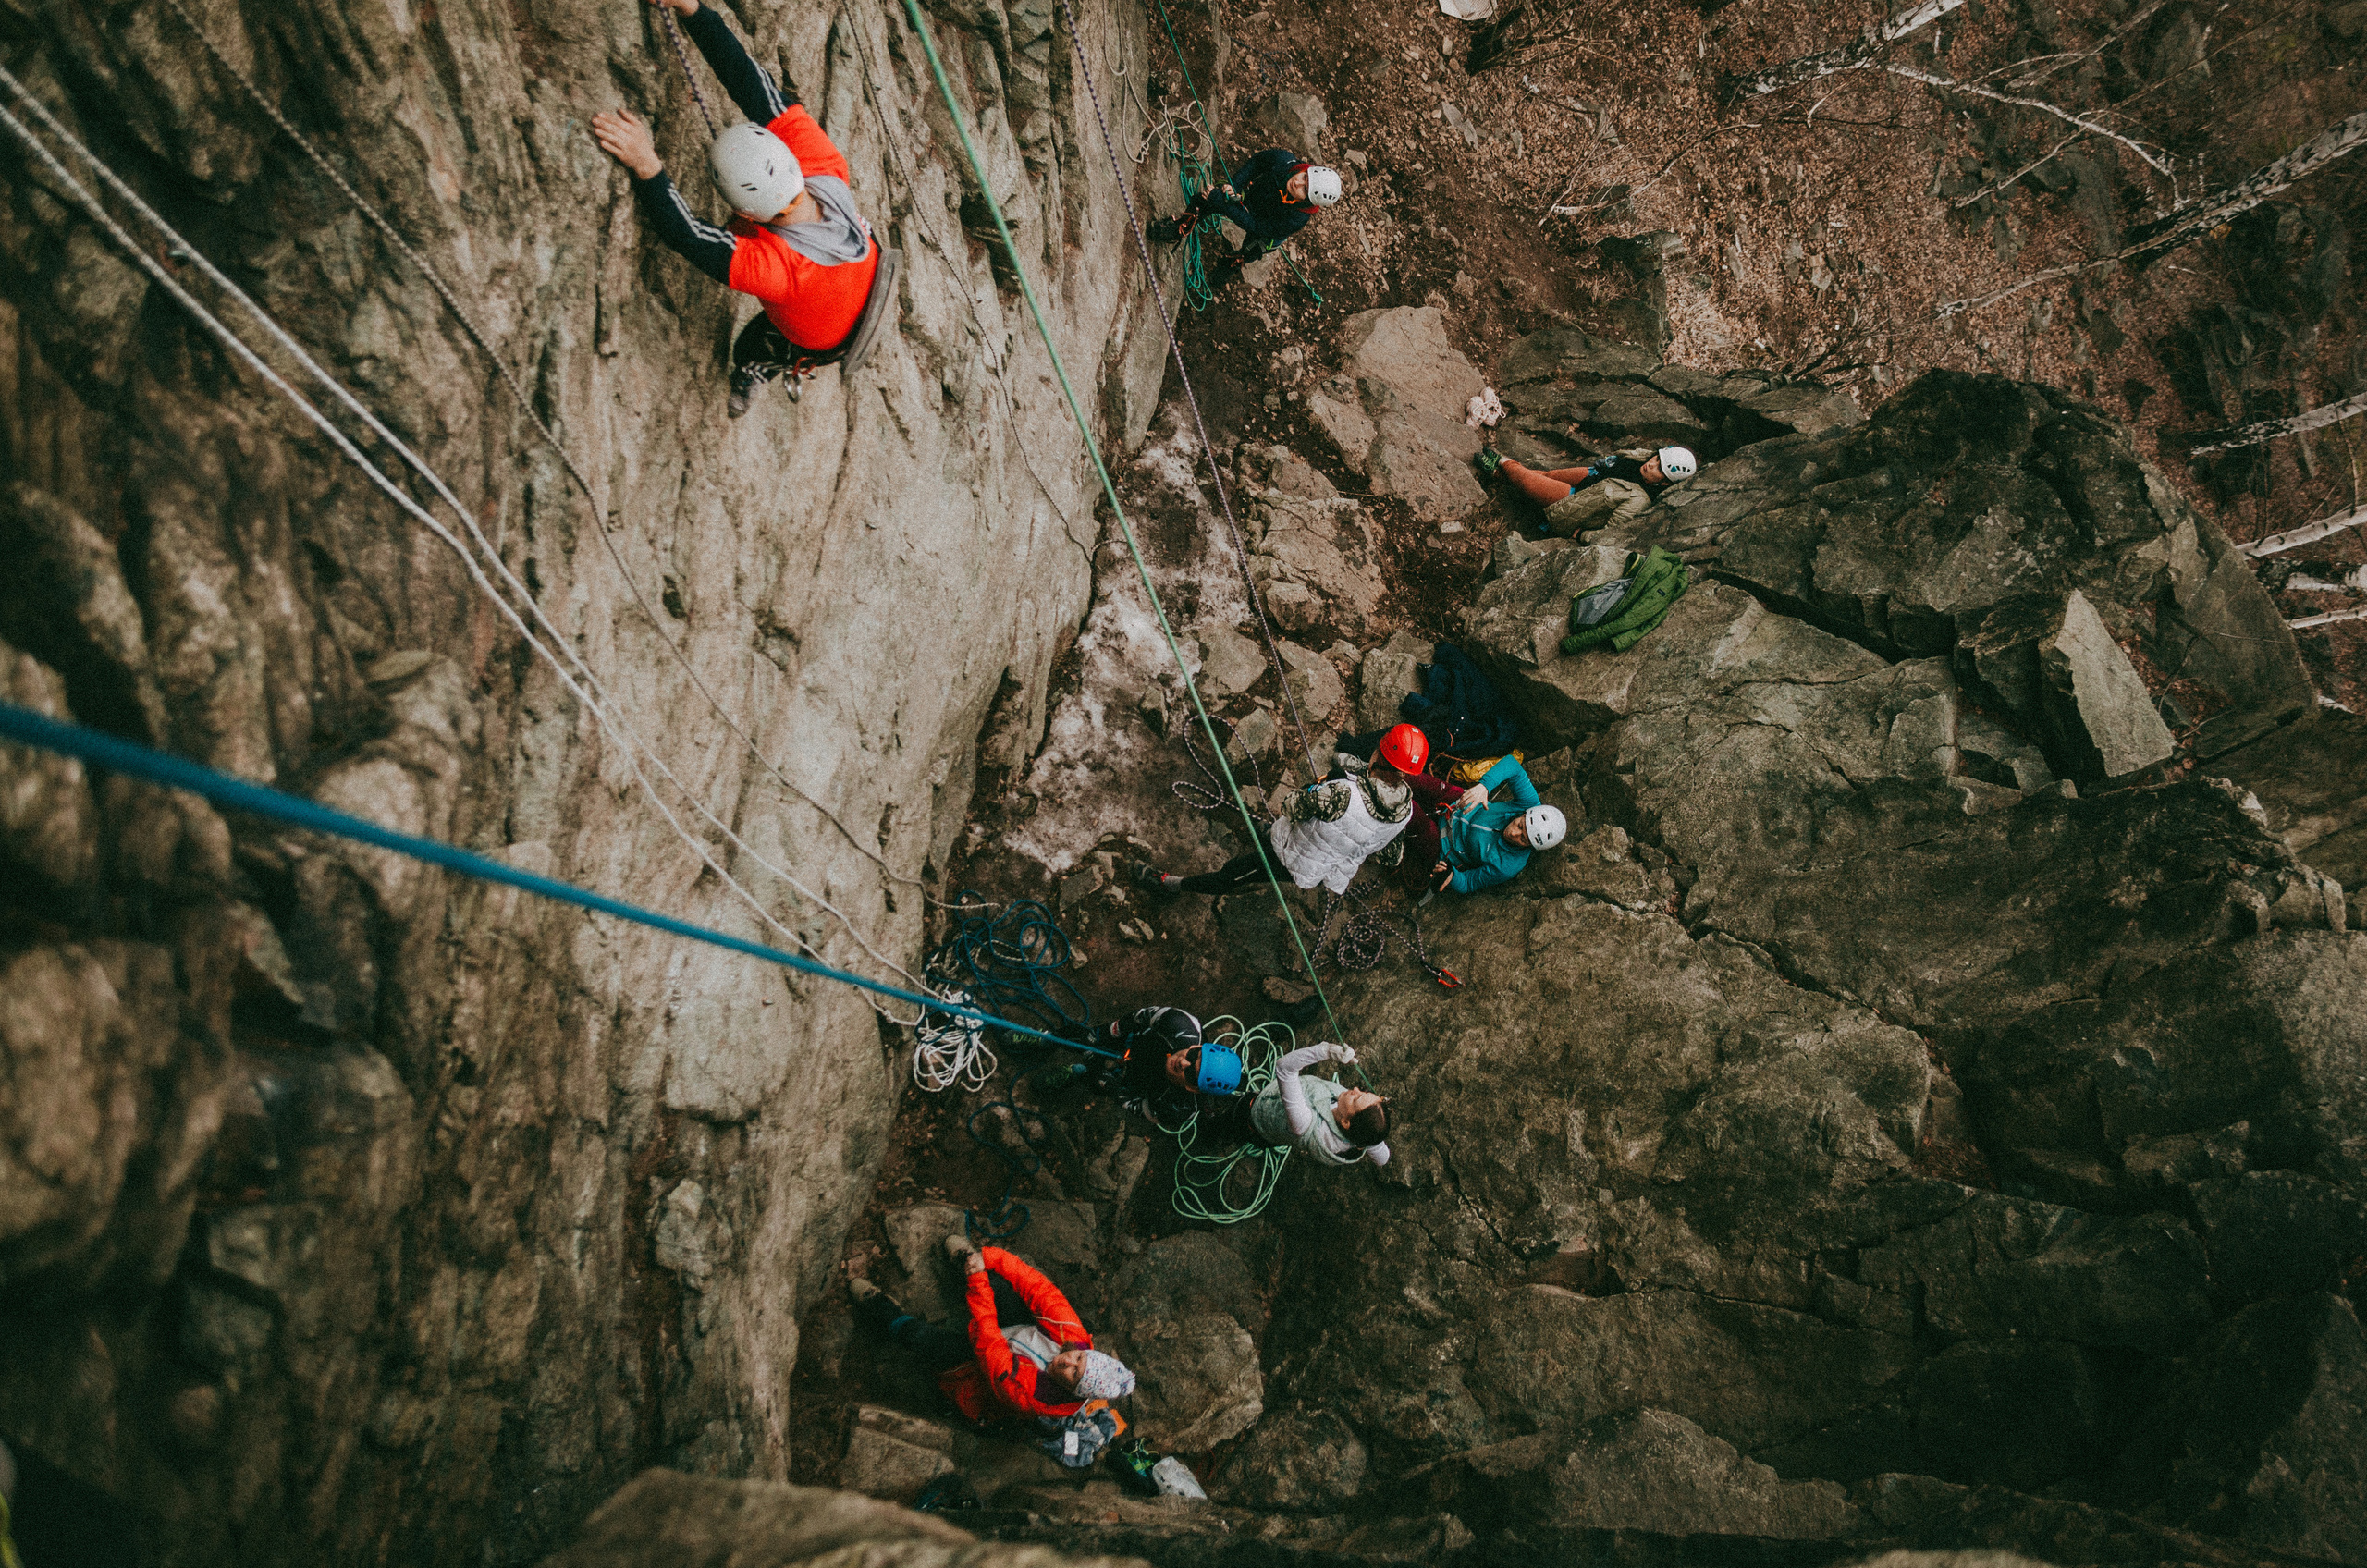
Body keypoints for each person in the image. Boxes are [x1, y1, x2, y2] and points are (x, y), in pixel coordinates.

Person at [591, 0, 881, 416]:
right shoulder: (824, 166)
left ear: (749, 215)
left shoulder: (779, 271)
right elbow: (749, 82)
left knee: (753, 344)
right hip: (864, 278)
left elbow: (687, 235)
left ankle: (758, 368)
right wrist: (694, 10)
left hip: (820, 338)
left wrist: (646, 164)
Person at [850, 1237, 1136, 1465]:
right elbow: (1041, 1290)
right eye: (1078, 1359)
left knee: (922, 1339)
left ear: (1076, 1391)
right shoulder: (1075, 1338)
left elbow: (987, 1342)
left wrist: (978, 1283)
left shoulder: (1031, 1396)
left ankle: (884, 1311)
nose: (1067, 1362)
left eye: (1074, 1373)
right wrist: (990, 1259)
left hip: (976, 1364)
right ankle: (966, 1261)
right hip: (1011, 1333)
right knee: (1003, 1281)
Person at [1134, 724, 1429, 898]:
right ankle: (1267, 835)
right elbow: (1391, 856)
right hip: (1318, 866)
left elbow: (1291, 805)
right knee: (1271, 835)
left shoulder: (1341, 794)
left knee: (1234, 873)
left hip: (1290, 857)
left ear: (1378, 753)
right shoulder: (1404, 812)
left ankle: (1172, 886)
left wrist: (1320, 787)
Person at [1159, 149, 1342, 286]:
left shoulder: (1297, 218)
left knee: (1252, 249)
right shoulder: (1284, 161)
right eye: (1304, 177)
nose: (1297, 182)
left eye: (1304, 189)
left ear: (1309, 200)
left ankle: (1230, 264)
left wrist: (1225, 205)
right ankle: (1182, 227)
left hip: (1265, 229)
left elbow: (1257, 227)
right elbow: (1256, 163)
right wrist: (1233, 187)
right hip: (1250, 196)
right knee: (1205, 200)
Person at [1203, 1040, 1390, 1168]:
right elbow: (1383, 1158)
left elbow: (1284, 1068)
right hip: (1271, 1128)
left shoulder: (1305, 1124)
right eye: (1364, 1092)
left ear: (1347, 1122)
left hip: (1254, 1116)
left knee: (1231, 1120)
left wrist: (1326, 1051)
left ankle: (1209, 1129)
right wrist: (1373, 1136)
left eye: (1356, 1098)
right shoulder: (1362, 1135)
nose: (1355, 1089)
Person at [1478, 444, 1698, 537]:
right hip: (1591, 476)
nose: (1652, 464)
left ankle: (1503, 462)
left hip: (1575, 502)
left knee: (1527, 481)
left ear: (1666, 484)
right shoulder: (1643, 458)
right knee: (1545, 476)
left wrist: (1583, 535)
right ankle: (1498, 474)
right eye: (1657, 458)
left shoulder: (1640, 501)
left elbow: (1611, 534)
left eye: (1659, 469)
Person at [1427, 753, 1566, 894]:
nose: (1513, 833)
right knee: (1417, 780)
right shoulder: (1529, 805)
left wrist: (1453, 876)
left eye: (1523, 839)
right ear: (1524, 814)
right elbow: (1513, 765)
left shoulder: (1508, 865)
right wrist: (1484, 787)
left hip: (1441, 844)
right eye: (1519, 825)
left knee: (1416, 819)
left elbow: (1469, 882)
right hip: (1457, 804)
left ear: (1530, 847)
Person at [1081, 1006, 1243, 1109]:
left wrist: (1109, 1085)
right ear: (1197, 1046)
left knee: (1089, 1080)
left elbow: (1138, 1107)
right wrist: (1108, 1032)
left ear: (1194, 1089)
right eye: (1194, 1056)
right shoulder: (1180, 1024)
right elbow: (1139, 1016)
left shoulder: (1180, 1108)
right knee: (1083, 1038)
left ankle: (1075, 1072)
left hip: (1137, 1081)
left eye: (1192, 1074)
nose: (1184, 1062)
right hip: (1137, 1041)